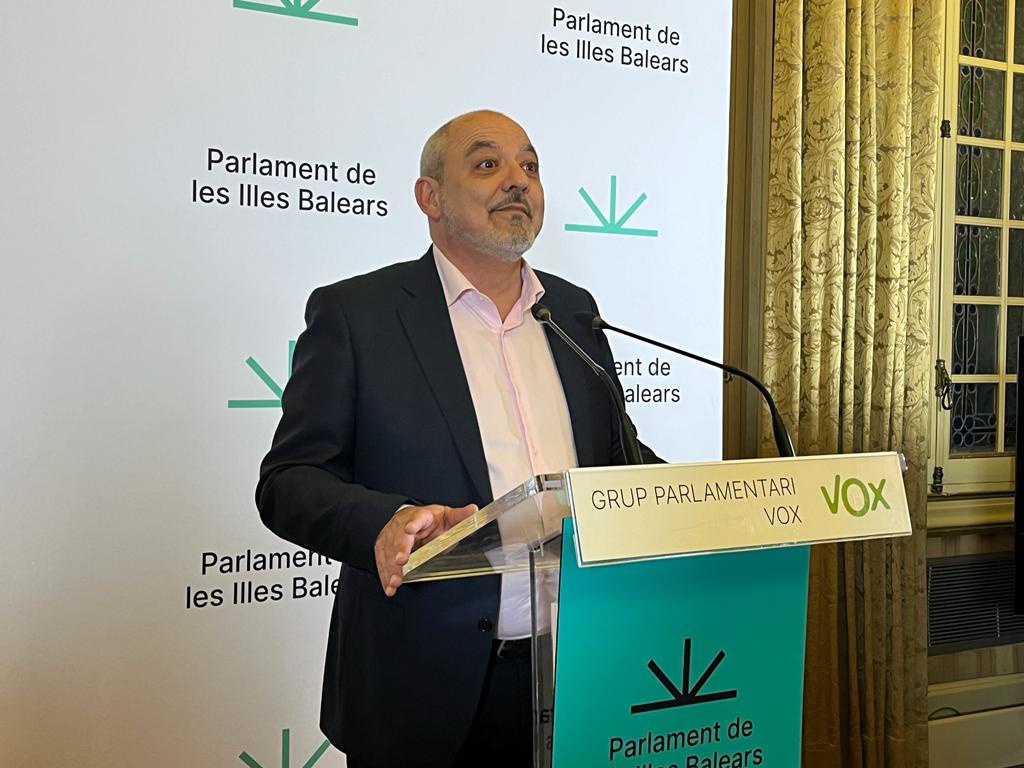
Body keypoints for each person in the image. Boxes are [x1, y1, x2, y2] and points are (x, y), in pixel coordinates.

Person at [257, 109, 656, 768]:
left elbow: (619, 459)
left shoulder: (574, 311)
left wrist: (719, 496)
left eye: (530, 166)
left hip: (580, 677)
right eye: (487, 164)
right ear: (431, 197)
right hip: (422, 691)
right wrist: (384, 522)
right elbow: (289, 481)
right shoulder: (359, 315)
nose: (517, 180)